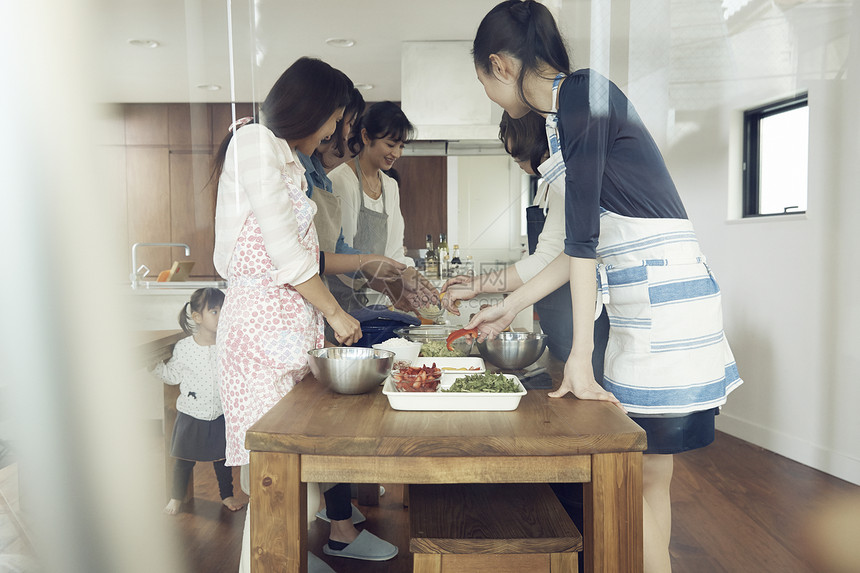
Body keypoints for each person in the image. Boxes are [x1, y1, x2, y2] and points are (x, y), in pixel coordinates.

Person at [468, 2, 743, 572]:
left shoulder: (581, 96)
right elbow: (573, 248)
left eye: (483, 83)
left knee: (637, 480)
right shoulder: (566, 112)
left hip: (661, 318)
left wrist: (581, 360)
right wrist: (507, 305)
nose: (489, 95)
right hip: (654, 310)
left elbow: (583, 243)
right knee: (647, 482)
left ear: (499, 65)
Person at [212, 57, 398, 572]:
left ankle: (288, 554)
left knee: (294, 463)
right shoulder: (253, 143)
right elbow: (287, 255)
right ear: (310, 107)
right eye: (336, 118)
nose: (336, 131)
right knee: (273, 468)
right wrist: (337, 316)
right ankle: (267, 560)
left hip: (290, 328)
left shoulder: (288, 157)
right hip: (258, 333)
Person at [442, 111, 610, 376]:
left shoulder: (567, 183)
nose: (513, 156)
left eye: (516, 150)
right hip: (559, 319)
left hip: (583, 323)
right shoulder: (547, 186)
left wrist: (479, 285)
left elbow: (547, 259)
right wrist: (482, 288)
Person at [329, 101, 436, 312]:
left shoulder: (390, 186)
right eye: (390, 144)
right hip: (341, 300)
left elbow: (395, 251)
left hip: (377, 301)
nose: (396, 153)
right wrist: (393, 285)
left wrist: (410, 278)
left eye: (401, 146)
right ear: (366, 136)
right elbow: (342, 257)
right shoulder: (342, 181)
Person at [152, 287, 245, 516]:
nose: (221, 315)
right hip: (191, 414)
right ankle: (176, 497)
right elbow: (172, 375)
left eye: (224, 309)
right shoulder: (184, 348)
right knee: (183, 460)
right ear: (197, 317)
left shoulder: (229, 345)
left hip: (220, 413)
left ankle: (227, 495)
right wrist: (154, 366)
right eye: (214, 311)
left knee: (223, 459)